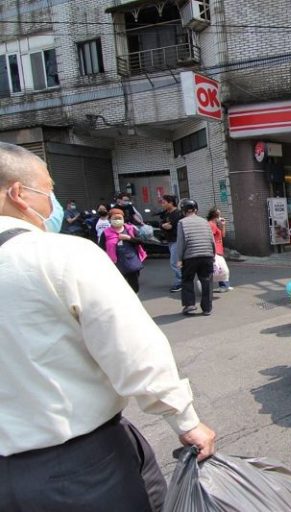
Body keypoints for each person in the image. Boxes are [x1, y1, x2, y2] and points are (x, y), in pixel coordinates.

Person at [0, 142, 216, 511]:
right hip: (82, 468)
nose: (54, 202)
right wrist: (185, 420)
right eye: (49, 189)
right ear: (20, 194)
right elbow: (132, 348)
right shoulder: (62, 255)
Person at [177, 198, 216, 316]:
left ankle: (189, 305)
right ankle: (207, 308)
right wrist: (213, 255)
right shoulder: (205, 221)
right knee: (207, 281)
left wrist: (179, 258)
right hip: (207, 255)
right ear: (196, 210)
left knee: (187, 280)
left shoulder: (182, 222)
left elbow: (181, 242)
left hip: (190, 256)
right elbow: (211, 240)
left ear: (183, 211)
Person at [98, 208, 147, 293]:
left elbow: (141, 241)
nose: (117, 220)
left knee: (134, 286)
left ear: (123, 219)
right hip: (116, 264)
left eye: (119, 218)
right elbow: (101, 249)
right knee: (119, 287)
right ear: (109, 219)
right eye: (114, 218)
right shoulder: (106, 233)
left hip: (131, 262)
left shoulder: (131, 229)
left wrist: (128, 238)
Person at [160, 194, 184, 293]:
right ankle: (183, 280)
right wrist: (163, 225)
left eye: (164, 202)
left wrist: (168, 226)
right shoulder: (166, 213)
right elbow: (162, 223)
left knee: (174, 262)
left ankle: (179, 282)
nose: (162, 204)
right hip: (170, 240)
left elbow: (174, 226)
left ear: (170, 203)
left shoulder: (178, 213)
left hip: (177, 240)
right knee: (177, 262)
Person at [207, 206, 233, 292]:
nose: (220, 216)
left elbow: (223, 235)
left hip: (219, 248)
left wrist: (223, 225)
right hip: (214, 249)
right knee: (219, 268)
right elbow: (209, 238)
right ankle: (222, 286)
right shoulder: (211, 224)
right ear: (214, 215)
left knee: (219, 268)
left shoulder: (217, 224)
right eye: (218, 214)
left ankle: (224, 285)